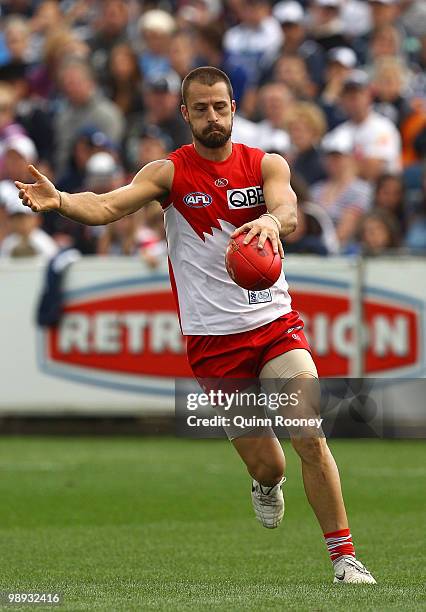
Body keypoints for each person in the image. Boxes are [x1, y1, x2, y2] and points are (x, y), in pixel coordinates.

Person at [15, 66, 376, 585]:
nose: (213, 116)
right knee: (268, 466)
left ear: (234, 108)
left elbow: (289, 208)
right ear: (185, 114)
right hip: (214, 344)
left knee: (308, 430)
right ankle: (265, 485)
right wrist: (63, 202)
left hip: (274, 324)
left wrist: (272, 222)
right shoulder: (169, 173)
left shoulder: (265, 163)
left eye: (221, 107)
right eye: (201, 108)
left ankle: (345, 558)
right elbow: (109, 205)